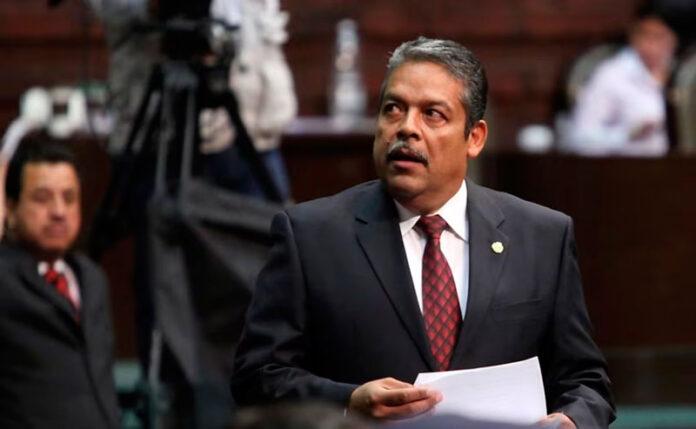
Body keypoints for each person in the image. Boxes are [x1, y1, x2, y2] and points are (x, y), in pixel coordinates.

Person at [231, 37, 615, 428]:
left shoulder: (541, 236)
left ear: (475, 138)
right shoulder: (310, 235)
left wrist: (572, 420)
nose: (406, 128)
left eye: (432, 114)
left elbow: (586, 381)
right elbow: (257, 377)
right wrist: (347, 402)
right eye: (393, 109)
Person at [0, 136, 120, 428]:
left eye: (69, 198)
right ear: (11, 208)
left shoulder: (92, 278)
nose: (58, 212)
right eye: (42, 198)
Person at [569, 1, 678, 156]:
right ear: (632, 35)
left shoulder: (684, 74)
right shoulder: (612, 75)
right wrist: (628, 135)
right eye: (644, 35)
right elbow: (580, 138)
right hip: (629, 164)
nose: (650, 46)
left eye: (660, 37)